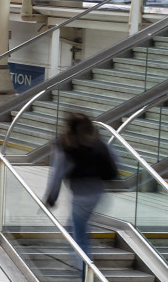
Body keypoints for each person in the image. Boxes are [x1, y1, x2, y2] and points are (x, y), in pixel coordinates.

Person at [47, 112, 117, 267]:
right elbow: (116, 160)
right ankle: (79, 266)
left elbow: (57, 173)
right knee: (72, 228)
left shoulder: (66, 145)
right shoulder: (98, 143)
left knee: (79, 238)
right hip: (98, 194)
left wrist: (51, 197)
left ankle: (86, 272)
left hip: (80, 196)